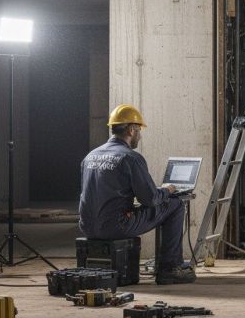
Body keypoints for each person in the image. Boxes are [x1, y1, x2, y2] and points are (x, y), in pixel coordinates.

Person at [78, 104, 195, 285]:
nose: (139, 135)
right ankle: (169, 268)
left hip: (88, 226)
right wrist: (168, 190)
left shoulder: (90, 156)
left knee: (154, 204)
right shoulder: (130, 157)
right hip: (117, 226)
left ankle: (169, 265)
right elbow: (150, 199)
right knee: (175, 204)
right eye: (139, 130)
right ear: (131, 130)